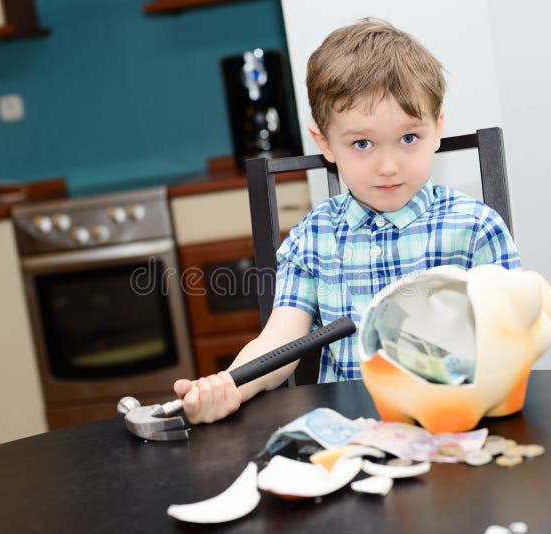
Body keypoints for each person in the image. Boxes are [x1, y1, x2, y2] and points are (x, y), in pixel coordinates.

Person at [173, 18, 520, 423]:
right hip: (349, 436)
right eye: (362, 143)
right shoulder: (314, 236)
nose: (388, 166)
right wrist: (229, 386)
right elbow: (280, 342)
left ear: (437, 129)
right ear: (325, 144)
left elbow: (509, 342)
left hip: (455, 425)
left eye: (409, 138)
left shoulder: (476, 228)